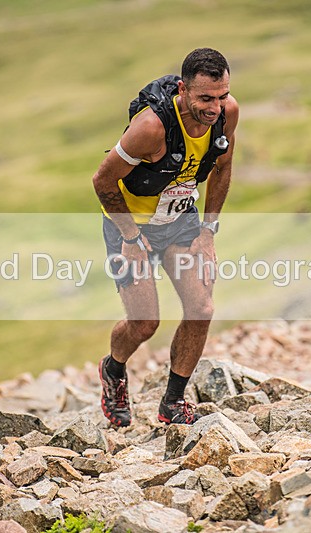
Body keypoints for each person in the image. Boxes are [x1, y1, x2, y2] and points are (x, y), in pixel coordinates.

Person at [92, 48, 238, 426]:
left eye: (222, 96)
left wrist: (208, 232)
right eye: (205, 98)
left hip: (180, 221)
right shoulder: (152, 128)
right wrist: (130, 237)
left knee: (202, 308)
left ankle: (173, 401)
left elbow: (222, 169)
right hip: (131, 225)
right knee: (144, 324)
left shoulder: (227, 113)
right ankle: (113, 368)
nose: (215, 108)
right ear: (183, 90)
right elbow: (103, 180)